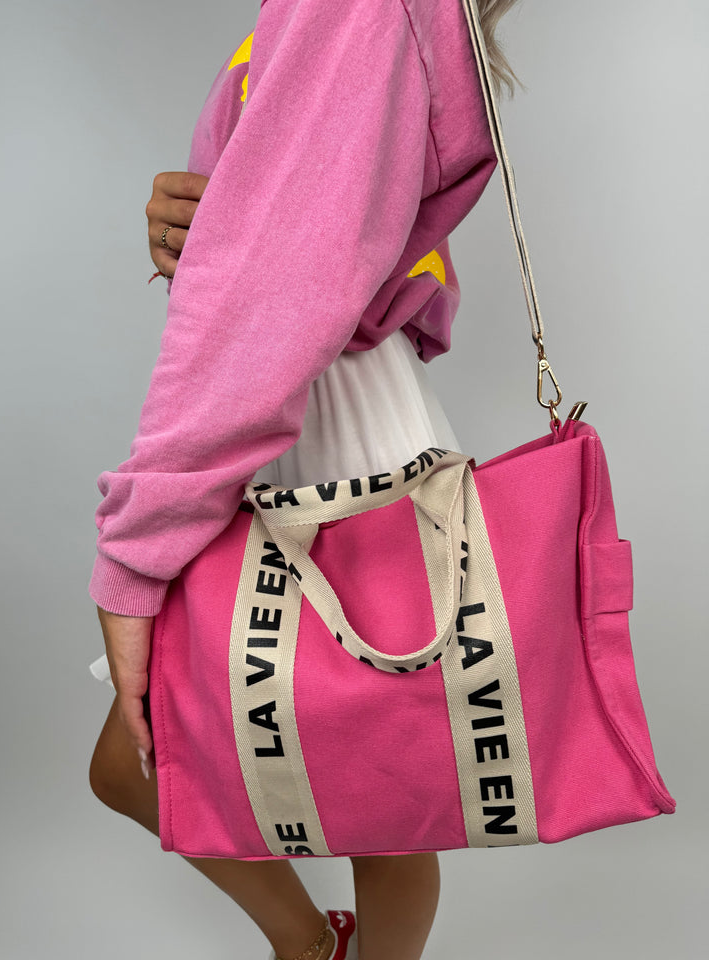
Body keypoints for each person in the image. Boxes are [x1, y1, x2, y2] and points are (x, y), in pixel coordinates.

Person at [87, 1, 521, 958]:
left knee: (381, 793)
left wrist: (133, 552)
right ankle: (312, 946)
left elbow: (313, 272)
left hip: (305, 405)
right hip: (283, 396)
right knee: (140, 762)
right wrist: (214, 231)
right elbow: (351, 216)